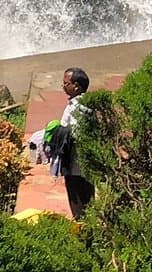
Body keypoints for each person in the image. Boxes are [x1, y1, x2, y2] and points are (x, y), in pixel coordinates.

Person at [53, 67, 95, 219]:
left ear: (76, 86)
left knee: (78, 202)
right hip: (83, 165)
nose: (63, 86)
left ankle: (84, 235)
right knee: (88, 201)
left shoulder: (78, 107)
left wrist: (58, 134)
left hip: (76, 165)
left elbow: (77, 134)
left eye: (66, 83)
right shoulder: (83, 103)